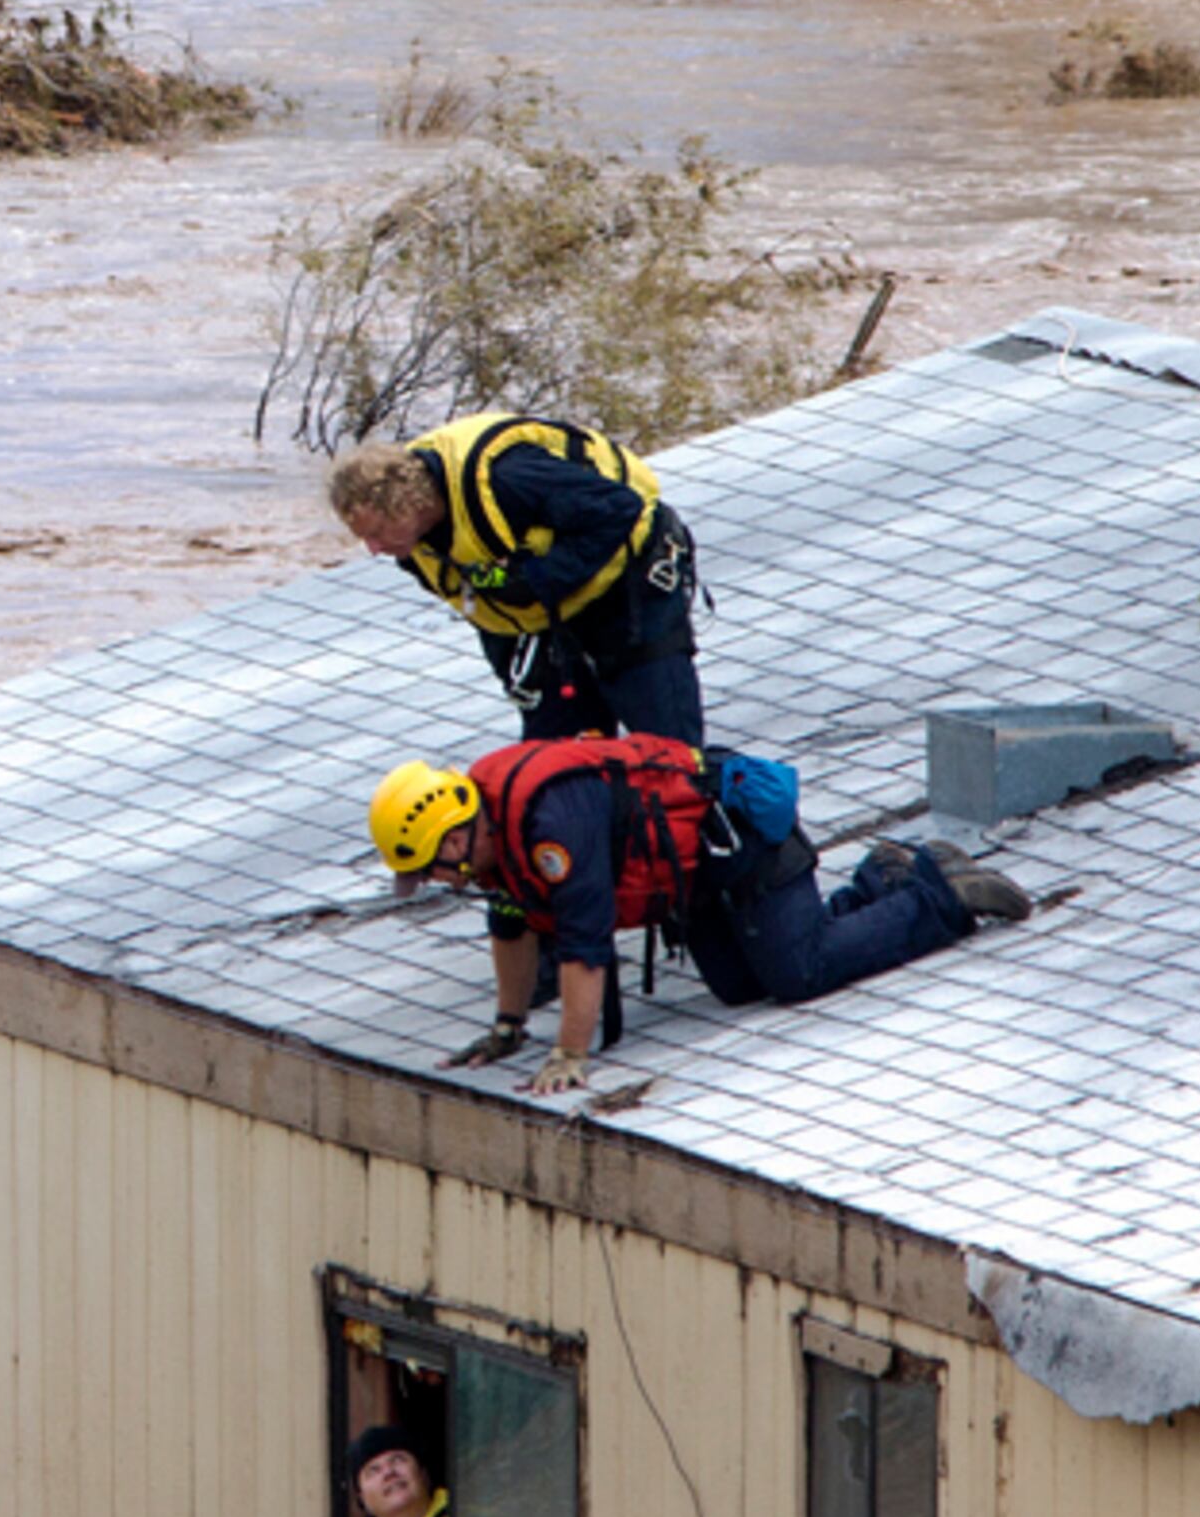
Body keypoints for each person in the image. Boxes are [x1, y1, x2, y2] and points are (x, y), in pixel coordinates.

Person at [368, 737, 1029, 1099]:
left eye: (429, 866)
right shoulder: (492, 845)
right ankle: (884, 879)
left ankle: (940, 895)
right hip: (700, 882)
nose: (433, 882)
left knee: (799, 971)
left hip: (742, 845)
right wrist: (508, 1028)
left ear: (454, 836)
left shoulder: (548, 826)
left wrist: (570, 1053)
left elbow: (584, 944)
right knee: (742, 986)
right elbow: (511, 925)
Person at [327, 416, 704, 748]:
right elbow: (481, 600)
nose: (373, 549)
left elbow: (620, 509)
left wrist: (537, 577)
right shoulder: (409, 544)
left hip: (627, 585)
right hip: (542, 623)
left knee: (668, 756)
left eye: (376, 533)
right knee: (556, 772)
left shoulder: (508, 478)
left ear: (408, 504)